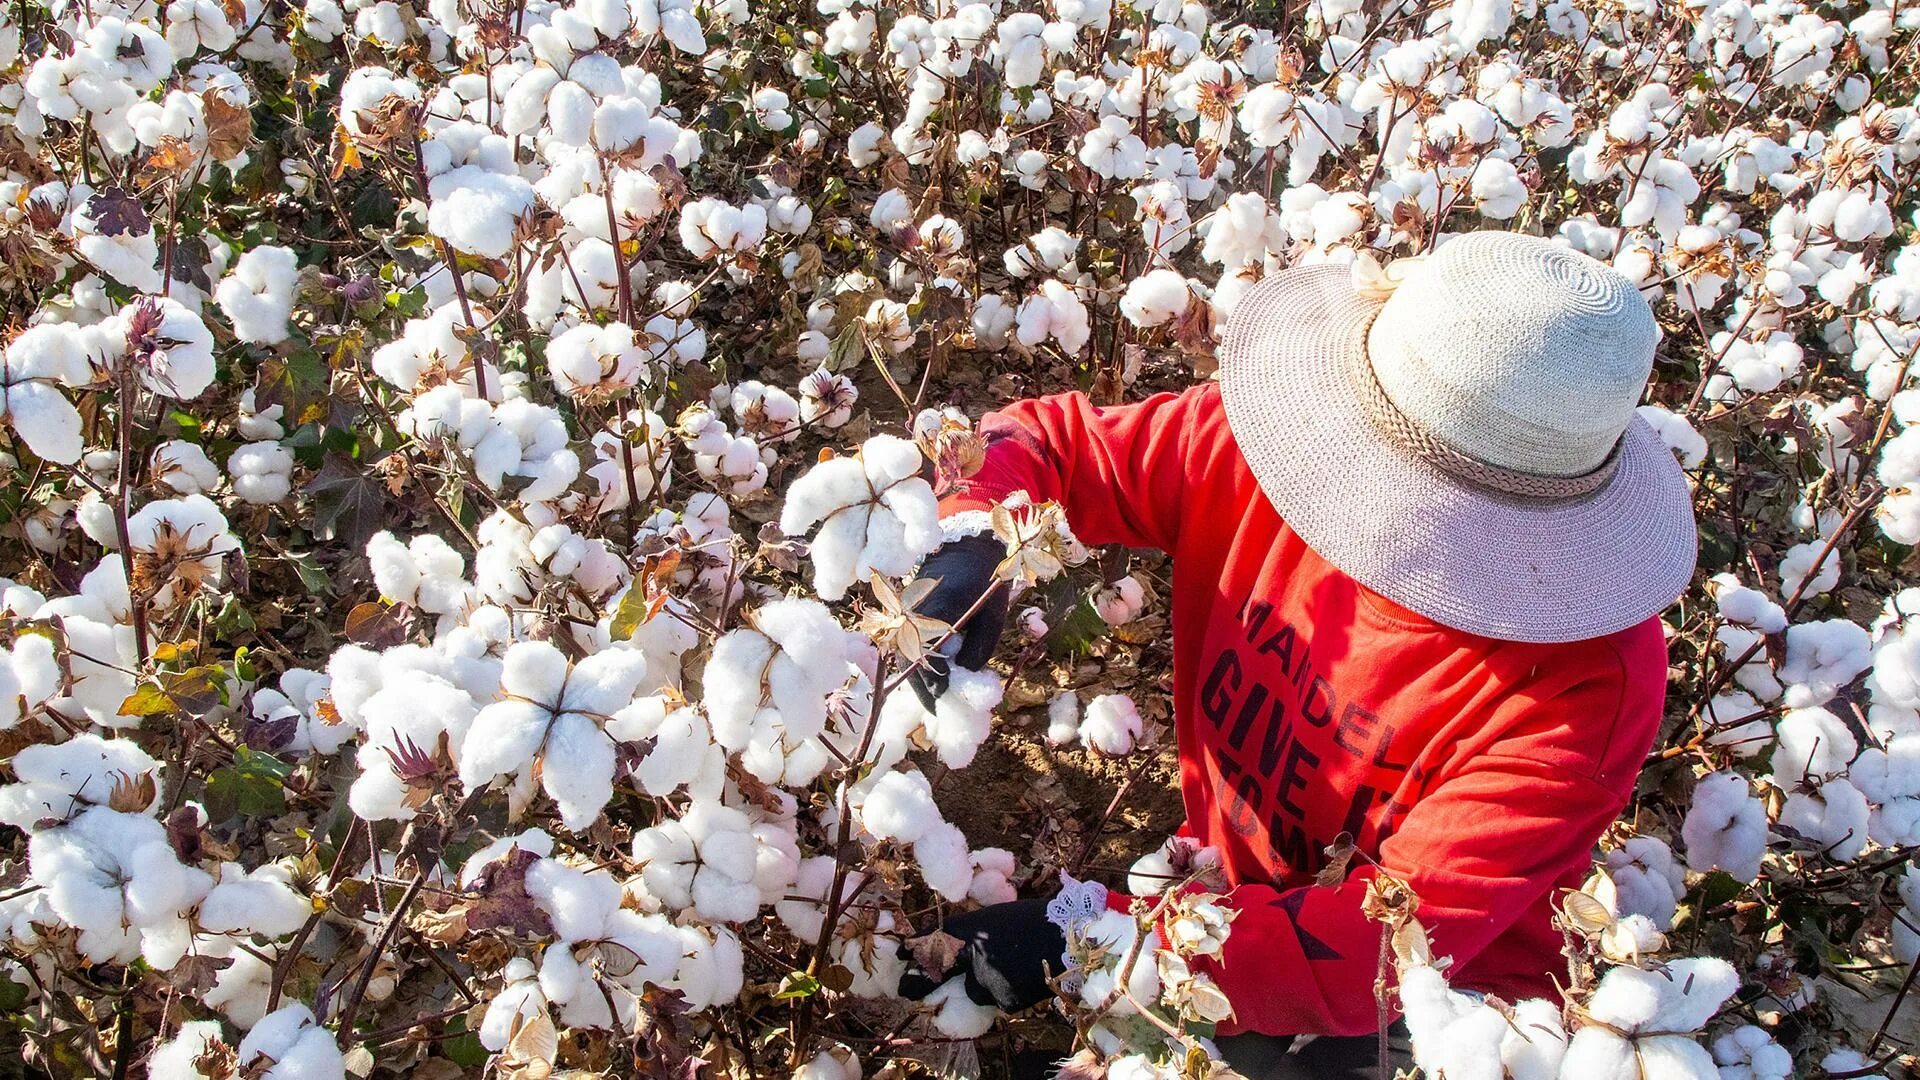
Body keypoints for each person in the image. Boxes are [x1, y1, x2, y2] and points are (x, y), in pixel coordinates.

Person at [895, 231, 1698, 1077]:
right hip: (1224, 895)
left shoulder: (1583, 691)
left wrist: (1089, 940)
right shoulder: (1276, 449)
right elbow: (1049, 443)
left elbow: (1377, 953)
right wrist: (973, 537)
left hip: (1440, 1006)